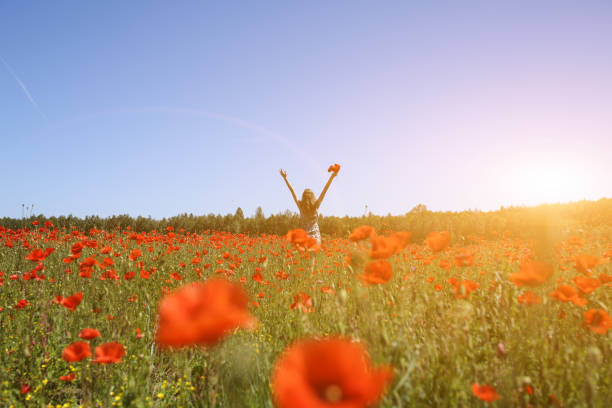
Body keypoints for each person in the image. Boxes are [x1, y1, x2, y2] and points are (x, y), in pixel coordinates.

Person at [280, 167, 339, 244]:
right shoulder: (316, 205)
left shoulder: (300, 206)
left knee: (304, 255)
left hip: (304, 238)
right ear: (313, 197)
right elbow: (325, 190)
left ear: (303, 197)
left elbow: (292, 191)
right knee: (314, 256)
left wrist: (285, 178)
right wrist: (332, 176)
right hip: (316, 238)